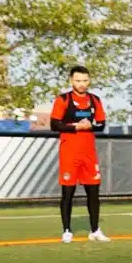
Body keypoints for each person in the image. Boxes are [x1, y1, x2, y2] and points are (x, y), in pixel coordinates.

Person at [49, 67, 108, 243]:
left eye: (85, 81)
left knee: (93, 192)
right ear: (71, 81)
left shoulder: (94, 100)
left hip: (89, 153)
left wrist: (90, 126)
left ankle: (95, 230)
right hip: (69, 152)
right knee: (68, 192)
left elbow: (101, 124)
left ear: (89, 81)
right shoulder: (63, 100)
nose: (81, 84)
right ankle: (67, 230)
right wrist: (75, 127)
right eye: (78, 81)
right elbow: (54, 125)